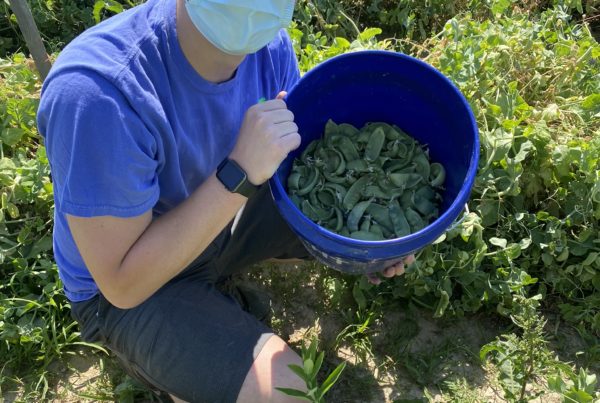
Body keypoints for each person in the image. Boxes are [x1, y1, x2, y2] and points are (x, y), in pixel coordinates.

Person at [37, 0, 411, 401]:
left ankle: (212, 303)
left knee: (359, 225)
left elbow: (296, 171)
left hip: (219, 225)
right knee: (289, 393)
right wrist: (238, 173)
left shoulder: (268, 45)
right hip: (130, 290)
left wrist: (375, 247)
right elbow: (122, 285)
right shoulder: (98, 94)